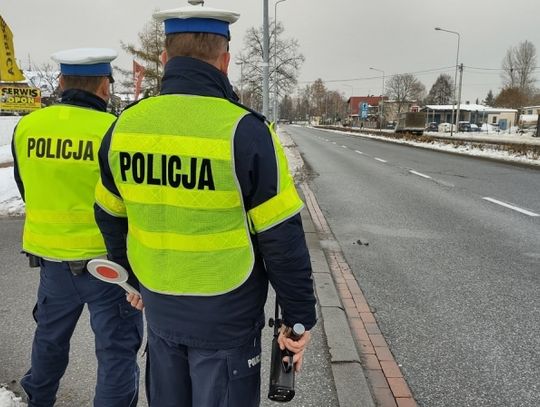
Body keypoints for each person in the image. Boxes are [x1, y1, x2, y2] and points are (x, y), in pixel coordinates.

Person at [94, 5, 317, 407]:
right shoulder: (247, 133)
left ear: (164, 59)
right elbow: (281, 238)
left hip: (159, 308)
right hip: (227, 317)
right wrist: (298, 320)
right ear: (225, 60)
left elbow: (109, 213)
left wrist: (130, 277)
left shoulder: (123, 127)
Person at [11, 48, 143, 407]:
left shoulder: (28, 126)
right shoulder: (115, 130)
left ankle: (38, 400)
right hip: (109, 266)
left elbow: (27, 188)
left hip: (52, 261)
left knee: (49, 339)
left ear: (61, 82)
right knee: (116, 351)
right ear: (104, 86)